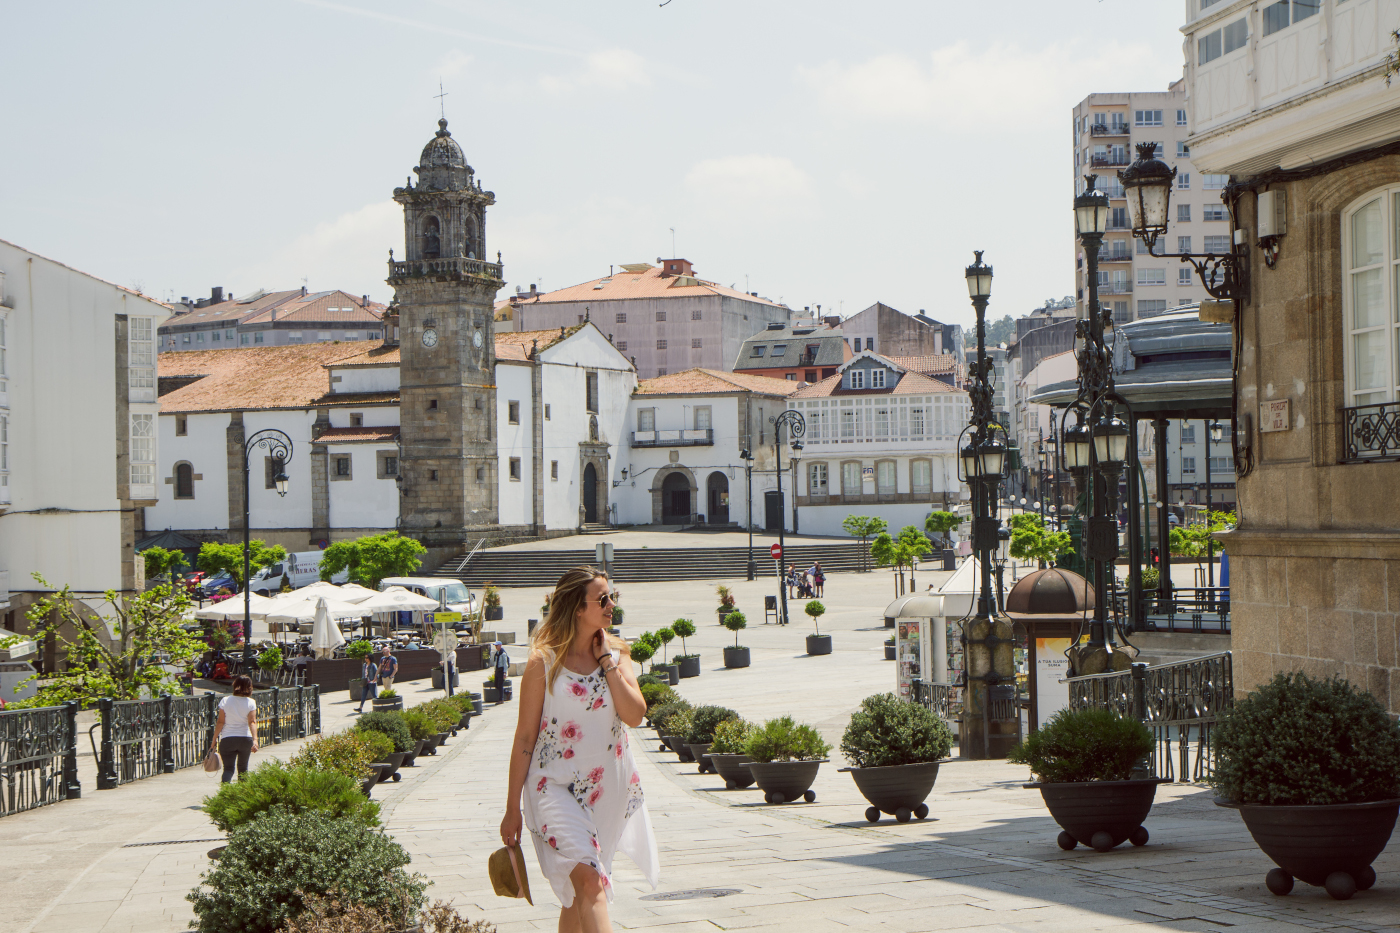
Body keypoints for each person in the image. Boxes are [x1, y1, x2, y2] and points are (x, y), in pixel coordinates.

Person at [500, 567, 658, 931]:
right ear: (577, 608)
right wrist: (512, 809)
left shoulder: (617, 653)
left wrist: (607, 664)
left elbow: (634, 715)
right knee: (590, 882)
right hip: (551, 787)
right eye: (602, 599)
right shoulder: (544, 662)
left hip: (606, 790)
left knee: (578, 894)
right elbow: (525, 738)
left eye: (611, 596)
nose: (611, 605)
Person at [209, 675, 258, 783]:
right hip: (245, 739)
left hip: (228, 739)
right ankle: (243, 795)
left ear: (235, 685)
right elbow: (252, 722)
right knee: (243, 768)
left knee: (228, 769)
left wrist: (214, 739)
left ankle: (225, 793)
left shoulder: (225, 700)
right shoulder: (251, 702)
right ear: (250, 687)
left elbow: (221, 722)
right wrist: (255, 740)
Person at [492, 641, 510, 705]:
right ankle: (506, 692)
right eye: (495, 646)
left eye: (497, 645)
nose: (496, 647)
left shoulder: (503, 654)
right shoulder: (497, 653)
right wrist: (495, 670)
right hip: (497, 670)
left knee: (500, 685)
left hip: (501, 671)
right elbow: (495, 662)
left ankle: (501, 699)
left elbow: (505, 664)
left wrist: (505, 673)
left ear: (500, 645)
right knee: (496, 685)